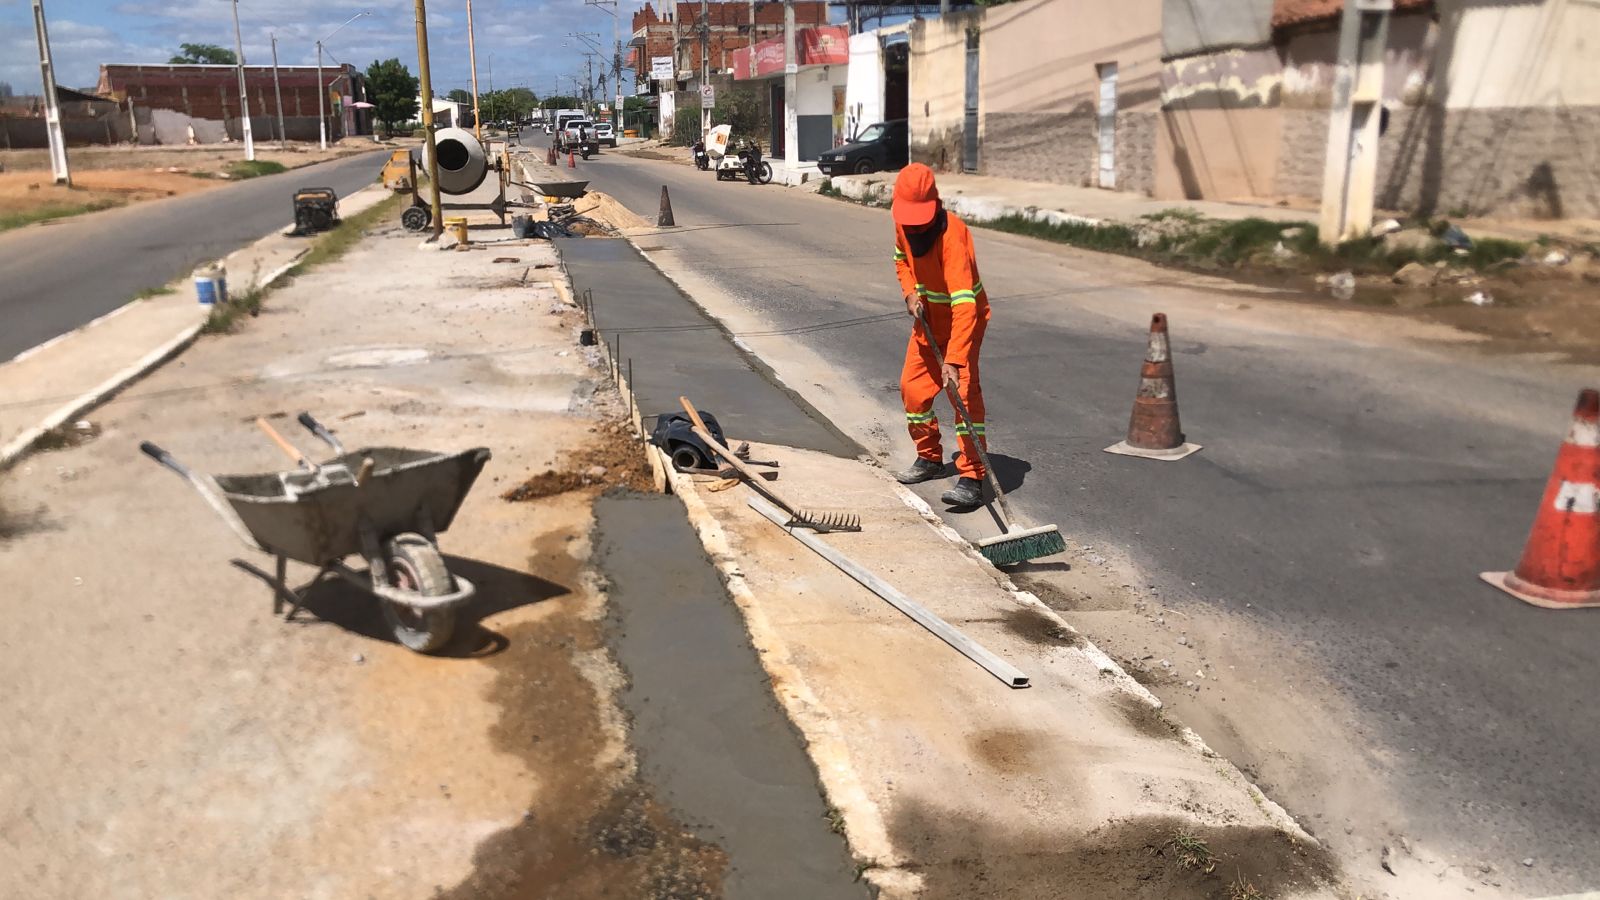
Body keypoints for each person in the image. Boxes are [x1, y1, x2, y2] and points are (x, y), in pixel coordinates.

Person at [889, 163, 991, 509]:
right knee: (913, 391)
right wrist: (909, 294)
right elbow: (901, 259)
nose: (915, 227)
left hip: (963, 325)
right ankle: (930, 458)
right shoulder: (903, 224)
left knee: (962, 396)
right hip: (928, 321)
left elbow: (966, 306)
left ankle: (973, 476)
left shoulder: (953, 238)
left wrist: (954, 360)